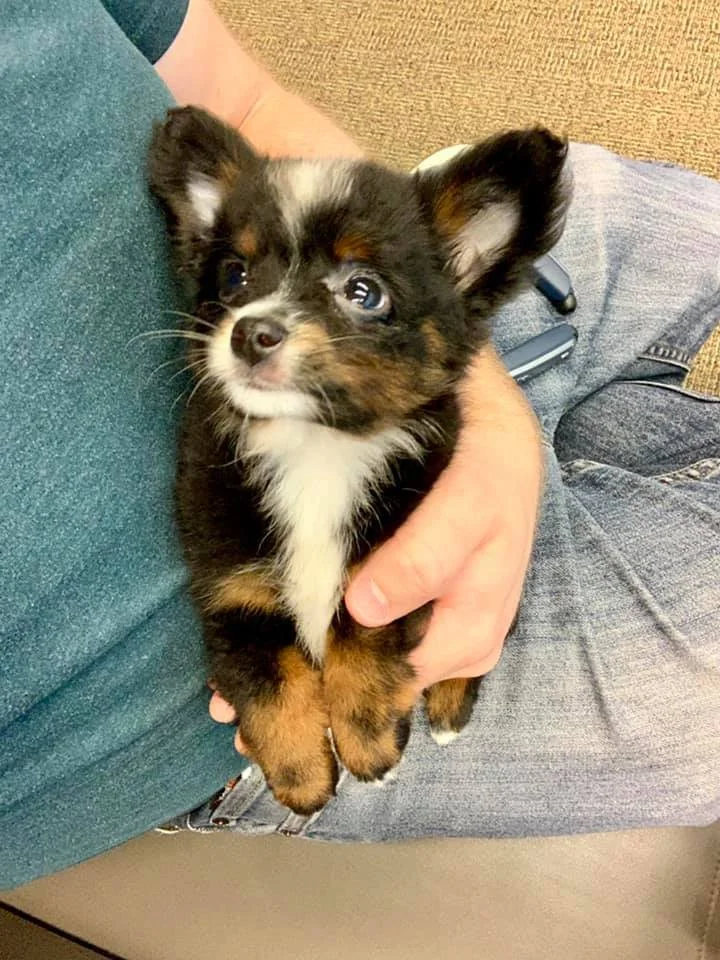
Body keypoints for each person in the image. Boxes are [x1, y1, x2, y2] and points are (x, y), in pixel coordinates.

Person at [1, 0, 718, 890]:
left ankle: (566, 434)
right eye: (238, 277)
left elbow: (239, 97)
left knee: (685, 219)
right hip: (242, 702)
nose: (258, 316)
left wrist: (495, 418)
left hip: (421, 371)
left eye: (356, 289)